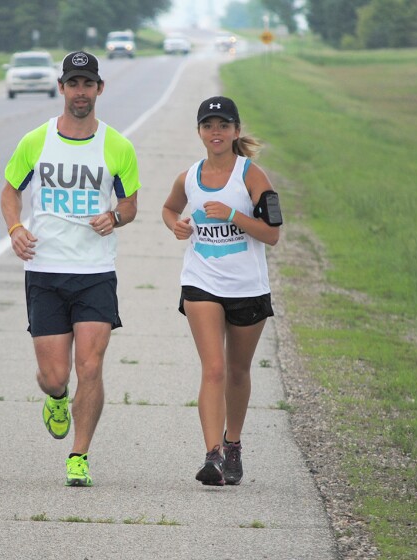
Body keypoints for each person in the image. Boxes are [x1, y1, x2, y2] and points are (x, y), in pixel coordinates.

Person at [0, 51, 140, 487]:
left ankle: (79, 455)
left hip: (95, 271)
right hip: (44, 270)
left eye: (88, 84)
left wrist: (114, 217)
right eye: (73, 84)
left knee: (91, 367)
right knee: (55, 376)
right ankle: (57, 399)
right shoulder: (35, 141)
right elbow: (10, 193)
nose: (81, 93)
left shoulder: (118, 145)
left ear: (100, 89)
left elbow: (131, 205)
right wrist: (15, 228)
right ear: (61, 88)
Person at [162, 96, 280, 485]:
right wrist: (176, 225)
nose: (216, 133)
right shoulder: (188, 176)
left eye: (223, 126)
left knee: (237, 371)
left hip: (247, 285)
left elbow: (272, 235)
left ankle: (233, 444)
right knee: (213, 368)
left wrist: (232, 214)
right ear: (199, 131)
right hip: (202, 282)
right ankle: (212, 455)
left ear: (236, 131)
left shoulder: (252, 175)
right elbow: (169, 209)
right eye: (209, 125)